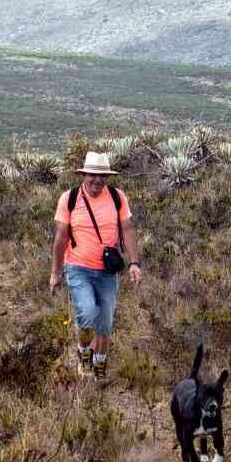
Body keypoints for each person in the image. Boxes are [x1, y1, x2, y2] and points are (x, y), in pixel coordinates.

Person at [50, 152, 142, 377]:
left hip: (107, 271)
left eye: (102, 176)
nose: (97, 180)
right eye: (92, 175)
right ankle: (83, 353)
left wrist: (134, 262)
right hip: (78, 267)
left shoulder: (116, 197)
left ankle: (98, 366)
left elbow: (128, 229)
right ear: (84, 175)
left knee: (105, 322)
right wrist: (55, 273)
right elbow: (61, 238)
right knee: (88, 313)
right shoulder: (69, 199)